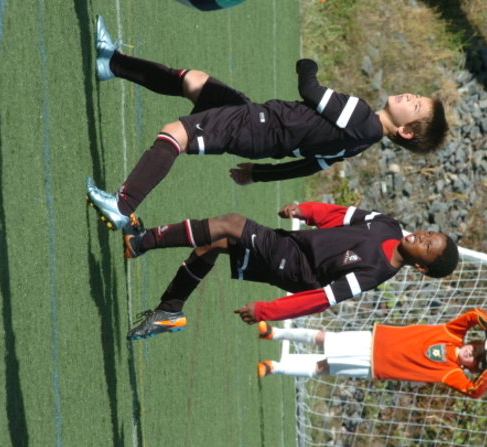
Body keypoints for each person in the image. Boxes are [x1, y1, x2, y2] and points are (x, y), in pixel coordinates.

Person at [85, 15, 449, 230]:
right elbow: (308, 166)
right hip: (258, 127)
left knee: (175, 134)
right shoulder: (363, 141)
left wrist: (308, 64)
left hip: (255, 125)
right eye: (416, 95)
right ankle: (112, 63)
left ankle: (123, 205)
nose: (409, 96)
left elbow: (309, 89)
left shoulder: (361, 115)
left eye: (415, 104)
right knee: (195, 81)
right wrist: (259, 174)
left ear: (406, 131)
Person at [124, 201, 459, 340]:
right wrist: (306, 211)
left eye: (428, 245)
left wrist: (266, 311)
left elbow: (319, 300)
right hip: (292, 244)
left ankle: (140, 241)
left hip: (294, 268)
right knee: (213, 244)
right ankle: (170, 311)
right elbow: (342, 215)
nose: (423, 237)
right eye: (429, 234)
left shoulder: (375, 272)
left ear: (421, 267)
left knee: (231, 223)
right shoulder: (388, 225)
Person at [256, 308, 487, 399]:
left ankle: (275, 367)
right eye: (475, 349)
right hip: (374, 339)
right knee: (323, 338)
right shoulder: (452, 333)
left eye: (476, 359)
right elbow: (475, 314)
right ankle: (274, 333)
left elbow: (475, 392)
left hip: (374, 366)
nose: (471, 353)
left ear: (473, 367)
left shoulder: (452, 373)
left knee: (324, 367)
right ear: (474, 342)